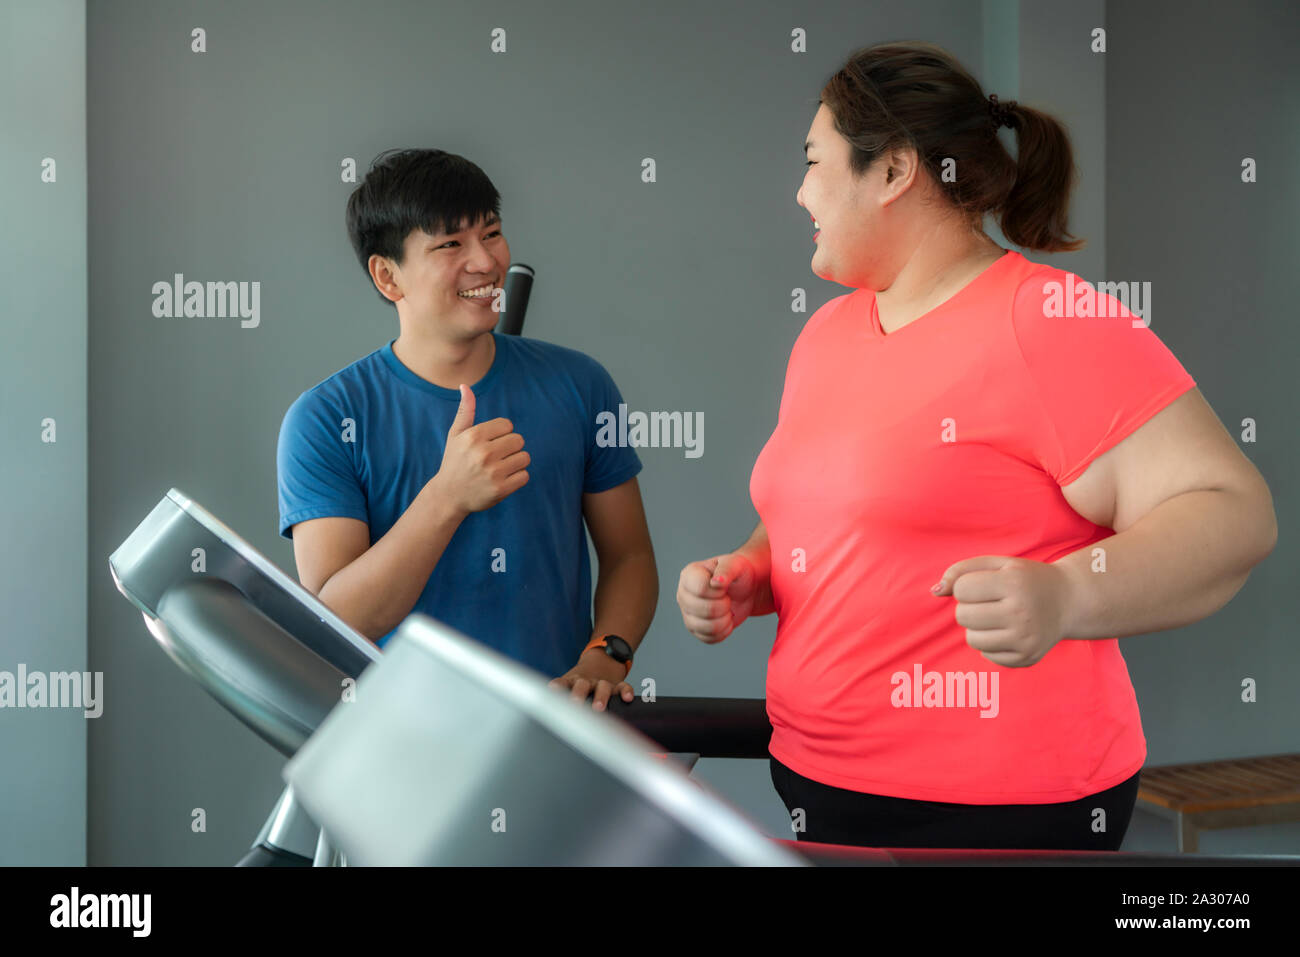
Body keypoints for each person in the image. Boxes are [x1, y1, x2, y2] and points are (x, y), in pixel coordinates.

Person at [676, 41, 1277, 850]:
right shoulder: (829, 332)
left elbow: (1235, 516)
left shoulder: (1047, 323)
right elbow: (828, 523)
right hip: (818, 779)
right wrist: (753, 574)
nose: (800, 192)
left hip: (998, 810)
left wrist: (1066, 597)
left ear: (892, 173)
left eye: (814, 162)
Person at [277, 148, 657, 711]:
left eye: (492, 233)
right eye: (450, 245)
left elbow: (629, 555)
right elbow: (340, 618)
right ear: (387, 276)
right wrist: (447, 497)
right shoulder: (325, 420)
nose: (485, 261)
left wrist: (606, 653)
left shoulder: (581, 385)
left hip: (554, 727)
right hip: (404, 742)